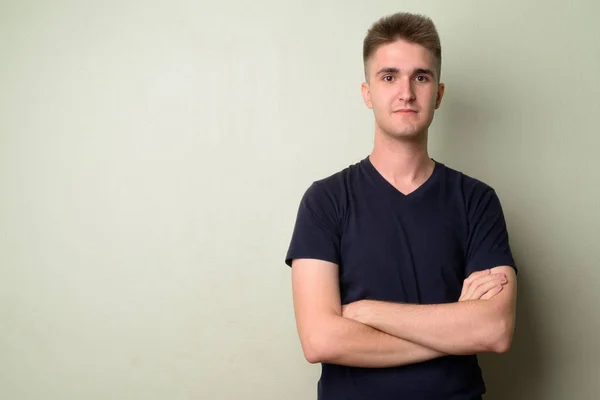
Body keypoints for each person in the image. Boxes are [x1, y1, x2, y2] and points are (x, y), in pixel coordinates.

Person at [284, 12, 518, 400]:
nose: (406, 92)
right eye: (389, 76)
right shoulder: (324, 201)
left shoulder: (477, 201)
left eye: (421, 77)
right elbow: (321, 340)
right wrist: (454, 332)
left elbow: (495, 330)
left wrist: (367, 311)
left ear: (438, 93)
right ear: (367, 92)